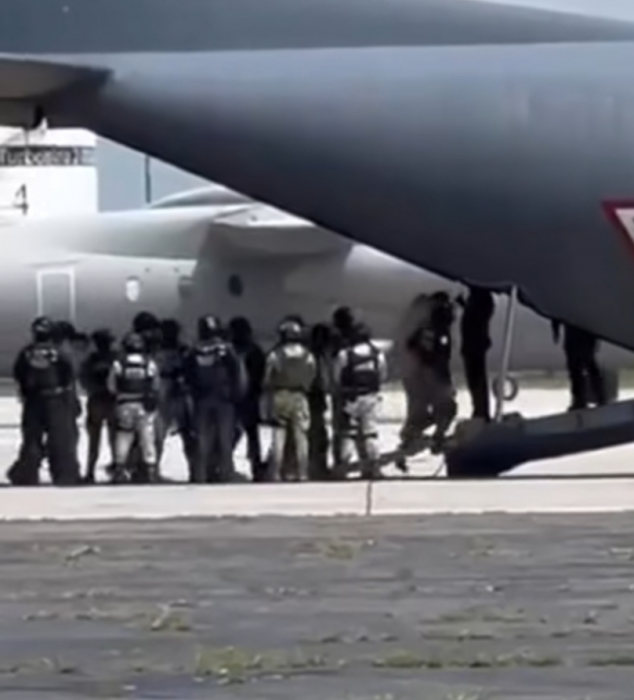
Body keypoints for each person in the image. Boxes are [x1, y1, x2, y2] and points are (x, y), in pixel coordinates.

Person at [8, 316, 79, 486]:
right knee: (60, 440)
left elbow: (19, 374)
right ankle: (64, 475)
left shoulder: (26, 353)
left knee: (32, 439)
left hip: (33, 400)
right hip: (56, 399)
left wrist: (26, 393)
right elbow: (68, 375)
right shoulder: (59, 353)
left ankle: (27, 474)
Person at [396, 291, 457, 468]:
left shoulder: (426, 328)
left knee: (425, 413)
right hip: (431, 375)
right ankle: (433, 438)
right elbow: (435, 358)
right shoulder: (435, 331)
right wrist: (443, 380)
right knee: (447, 409)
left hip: (422, 375)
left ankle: (410, 437)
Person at [184, 315, 245, 483]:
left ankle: (200, 475)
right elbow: (237, 372)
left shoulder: (194, 351)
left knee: (202, 440)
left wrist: (192, 395)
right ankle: (226, 474)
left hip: (201, 399)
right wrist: (237, 394)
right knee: (225, 439)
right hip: (224, 399)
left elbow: (187, 375)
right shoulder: (226, 349)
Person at [262, 318, 316, 481]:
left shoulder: (275, 355)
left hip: (279, 396)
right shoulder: (307, 355)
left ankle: (275, 472)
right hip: (299, 396)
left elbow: (267, 378)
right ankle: (303, 472)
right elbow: (312, 374)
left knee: (278, 435)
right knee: (301, 436)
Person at [332, 322, 386, 480]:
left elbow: (337, 377)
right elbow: (382, 375)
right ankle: (374, 468)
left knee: (348, 434)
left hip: (350, 400)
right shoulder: (377, 355)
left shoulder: (344, 354)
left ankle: (342, 469)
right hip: (371, 398)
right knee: (370, 434)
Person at [107, 331, 161, 484]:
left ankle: (119, 469)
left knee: (123, 436)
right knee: (147, 437)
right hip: (144, 405)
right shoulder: (149, 363)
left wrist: (119, 395)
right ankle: (150, 470)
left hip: (124, 404)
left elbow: (111, 386)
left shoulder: (118, 364)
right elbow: (156, 384)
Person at [228, 317, 266, 482]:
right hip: (250, 397)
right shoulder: (254, 350)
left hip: (235, 398)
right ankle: (256, 467)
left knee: (233, 434)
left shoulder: (229, 350)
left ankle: (222, 464)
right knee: (251, 435)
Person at [155, 319, 195, 474]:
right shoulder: (183, 350)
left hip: (174, 392)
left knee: (186, 434)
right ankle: (194, 470)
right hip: (170, 392)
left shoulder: (180, 350)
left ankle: (194, 469)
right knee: (162, 434)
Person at [79, 328, 117, 483]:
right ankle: (117, 471)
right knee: (114, 439)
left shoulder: (90, 360)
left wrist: (93, 389)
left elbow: (83, 380)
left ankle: (90, 472)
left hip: (96, 400)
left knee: (94, 440)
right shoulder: (116, 359)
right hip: (112, 400)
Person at [458, 287, 495, 421]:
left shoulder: (481, 299)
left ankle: (481, 412)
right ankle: (479, 411)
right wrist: (464, 305)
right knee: (475, 379)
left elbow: (476, 319)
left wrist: (466, 307)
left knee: (476, 379)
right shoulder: (480, 300)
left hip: (474, 345)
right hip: (473, 344)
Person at [552, 321, 606, 410]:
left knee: (577, 368)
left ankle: (581, 399)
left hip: (574, 332)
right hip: (585, 330)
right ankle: (598, 397)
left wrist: (555, 329)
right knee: (587, 364)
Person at [329, 306, 357, 469]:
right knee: (359, 430)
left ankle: (340, 462)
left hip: (341, 389)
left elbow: (335, 366)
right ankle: (350, 461)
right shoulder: (356, 338)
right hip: (357, 389)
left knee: (340, 429)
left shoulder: (335, 340)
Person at [307, 323, 333, 480]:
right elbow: (322, 380)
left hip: (314, 398)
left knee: (317, 436)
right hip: (313, 398)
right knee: (317, 437)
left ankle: (316, 466)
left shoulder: (313, 354)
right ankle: (316, 468)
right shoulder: (315, 356)